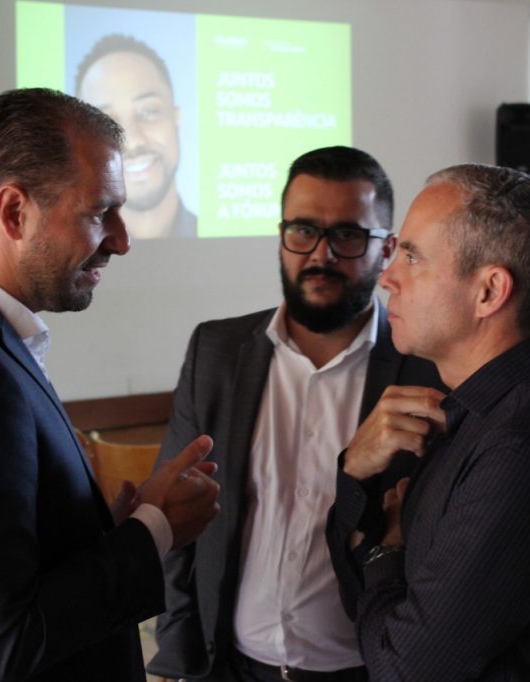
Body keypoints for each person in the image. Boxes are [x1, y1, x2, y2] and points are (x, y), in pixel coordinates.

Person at [0, 88, 220, 681]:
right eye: (101, 211)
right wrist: (155, 532)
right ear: (14, 212)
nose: (123, 239)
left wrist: (113, 530)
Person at [148, 146, 441, 681]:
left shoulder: (427, 371)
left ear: (388, 249)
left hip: (365, 669)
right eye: (303, 230)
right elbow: (176, 522)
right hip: (232, 665)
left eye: (348, 236)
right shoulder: (216, 352)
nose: (320, 255)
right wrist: (179, 657)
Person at [327, 164, 530, 680]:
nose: (388, 275)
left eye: (413, 257)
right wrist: (355, 471)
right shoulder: (476, 407)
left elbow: (406, 669)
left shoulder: (523, 446)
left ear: (488, 292)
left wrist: (385, 551)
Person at [76, 33, 196, 239]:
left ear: (176, 118)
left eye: (149, 111)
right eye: (107, 123)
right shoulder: (70, 263)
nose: (134, 141)